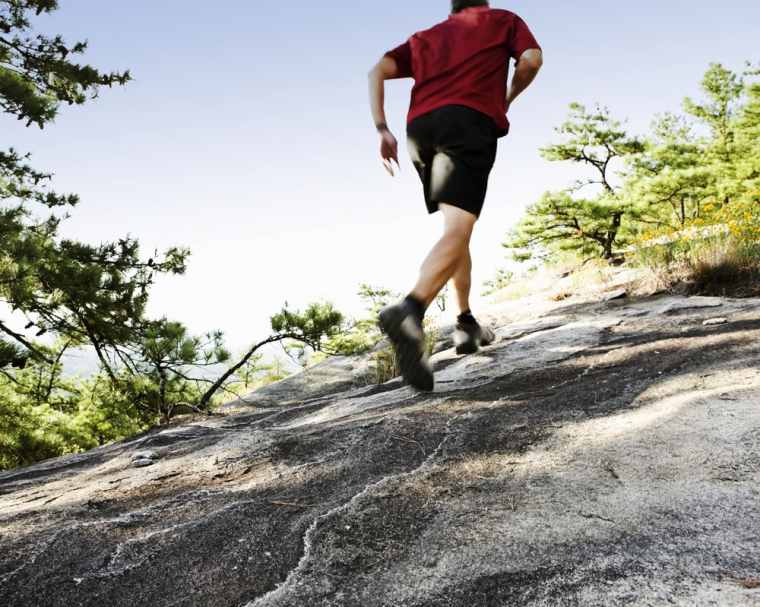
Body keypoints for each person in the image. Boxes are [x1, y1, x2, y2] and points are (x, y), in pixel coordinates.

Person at [368, 1, 543, 392]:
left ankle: (465, 324)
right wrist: (507, 98)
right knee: (459, 227)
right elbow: (531, 59)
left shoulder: (425, 37)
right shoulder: (502, 20)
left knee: (457, 226)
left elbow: (376, 70)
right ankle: (410, 309)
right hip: (467, 121)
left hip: (421, 130)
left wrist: (382, 128)